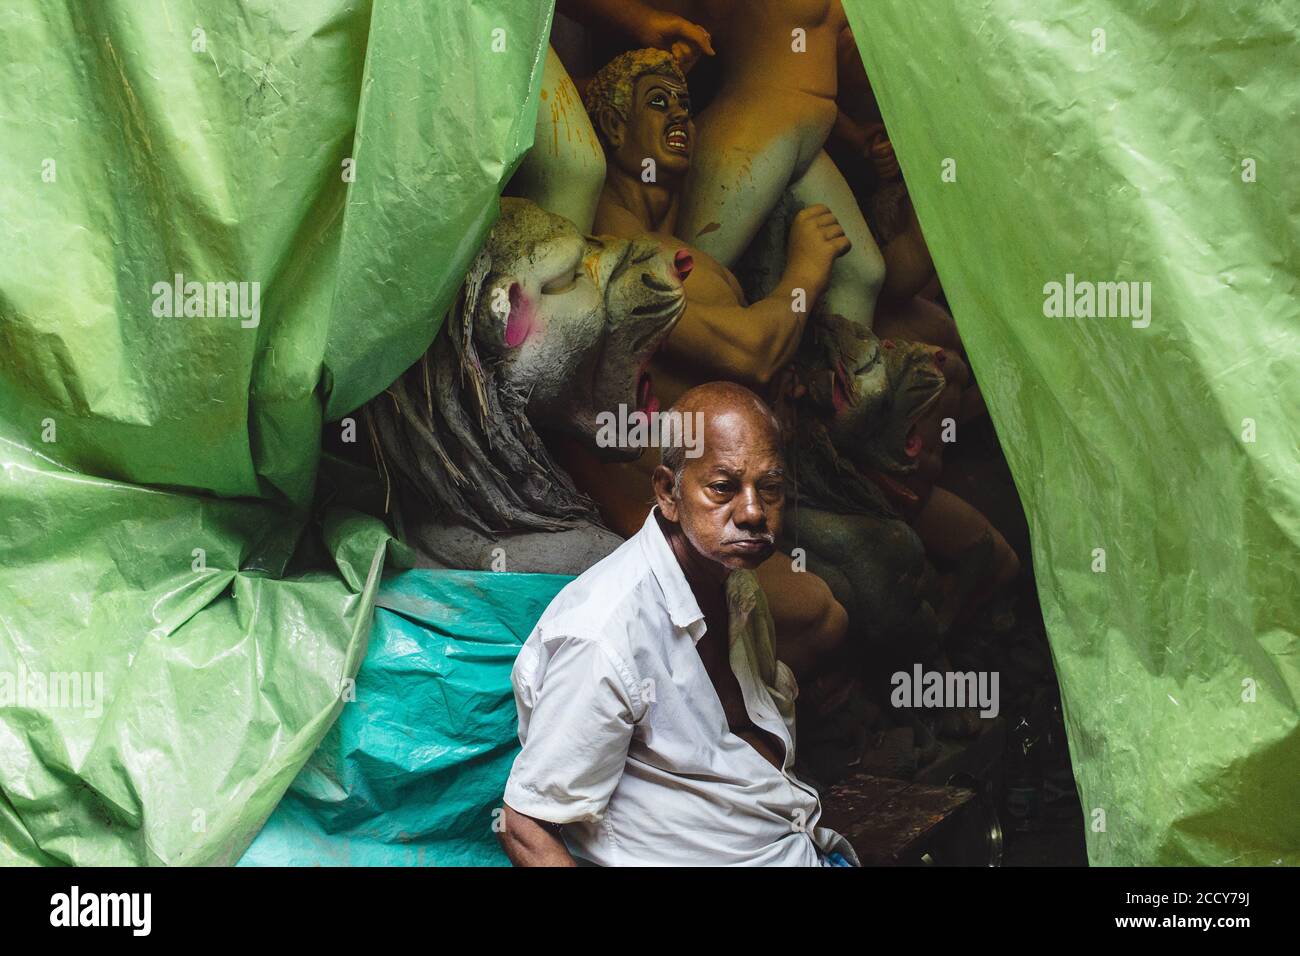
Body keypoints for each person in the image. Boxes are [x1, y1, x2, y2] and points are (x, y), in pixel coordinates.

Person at [554, 47, 851, 690]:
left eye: (685, 104)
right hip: (655, 511)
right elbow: (752, 351)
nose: (678, 117)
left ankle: (728, 739)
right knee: (819, 614)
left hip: (724, 496)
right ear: (609, 128)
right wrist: (805, 271)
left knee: (834, 600)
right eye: (657, 103)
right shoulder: (618, 256)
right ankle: (702, 740)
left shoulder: (673, 242)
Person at [499, 382, 858, 866]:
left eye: (769, 488)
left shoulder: (737, 585)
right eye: (723, 488)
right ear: (669, 492)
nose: (753, 512)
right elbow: (526, 827)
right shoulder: (605, 633)